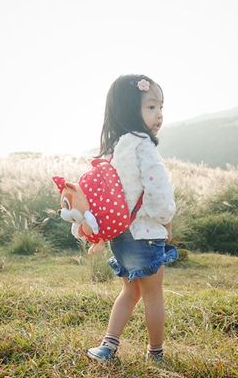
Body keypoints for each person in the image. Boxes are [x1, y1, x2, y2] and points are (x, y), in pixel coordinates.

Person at [86, 74, 178, 364]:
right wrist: (165, 220)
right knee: (153, 295)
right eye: (151, 107)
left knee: (129, 292)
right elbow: (159, 193)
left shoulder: (118, 147)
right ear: (130, 110)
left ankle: (108, 346)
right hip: (146, 235)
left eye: (161, 107)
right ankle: (156, 354)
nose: (159, 114)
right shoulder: (144, 147)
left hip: (121, 236)